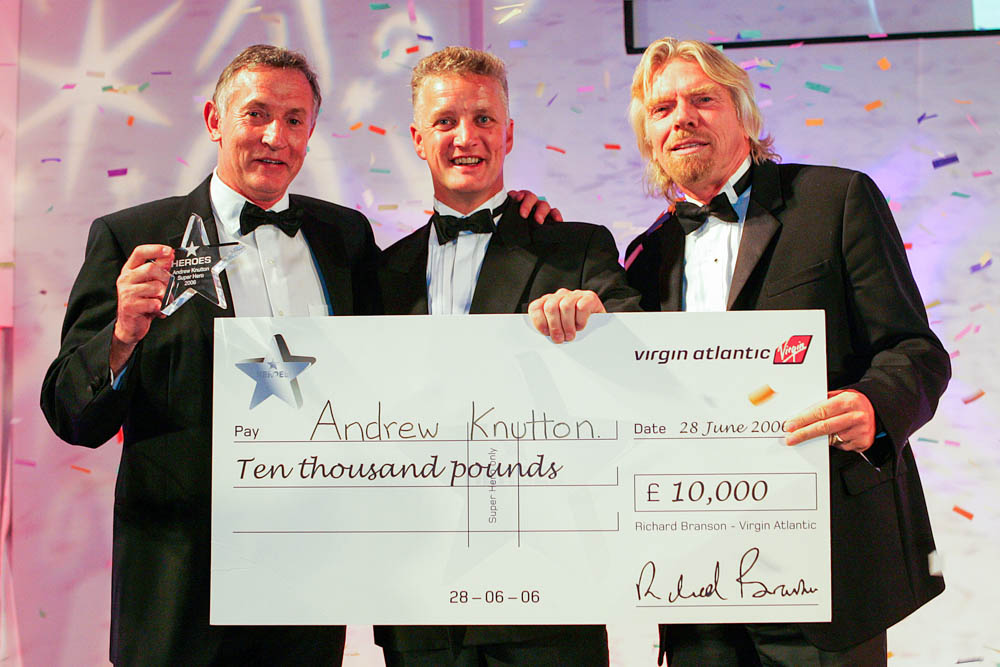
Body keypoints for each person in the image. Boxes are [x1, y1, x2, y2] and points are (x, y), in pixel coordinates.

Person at [40, 45, 382, 666]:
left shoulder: (347, 237)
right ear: (213, 120)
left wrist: (528, 228)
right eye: (256, 113)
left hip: (306, 580)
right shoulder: (130, 238)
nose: (276, 136)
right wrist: (121, 334)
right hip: (177, 585)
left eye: (295, 119)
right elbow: (71, 413)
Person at [621, 37, 949, 665]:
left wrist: (874, 407)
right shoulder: (644, 255)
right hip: (695, 578)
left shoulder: (836, 199)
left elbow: (915, 350)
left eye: (702, 99)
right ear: (649, 140)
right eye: (662, 109)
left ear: (744, 114)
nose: (682, 118)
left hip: (827, 566)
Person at [373, 46, 640, 666]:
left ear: (509, 133)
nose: (466, 137)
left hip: (548, 591)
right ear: (417, 139)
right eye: (445, 121)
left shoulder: (575, 247)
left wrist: (600, 321)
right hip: (419, 601)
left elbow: (640, 351)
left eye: (484, 119)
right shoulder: (382, 271)